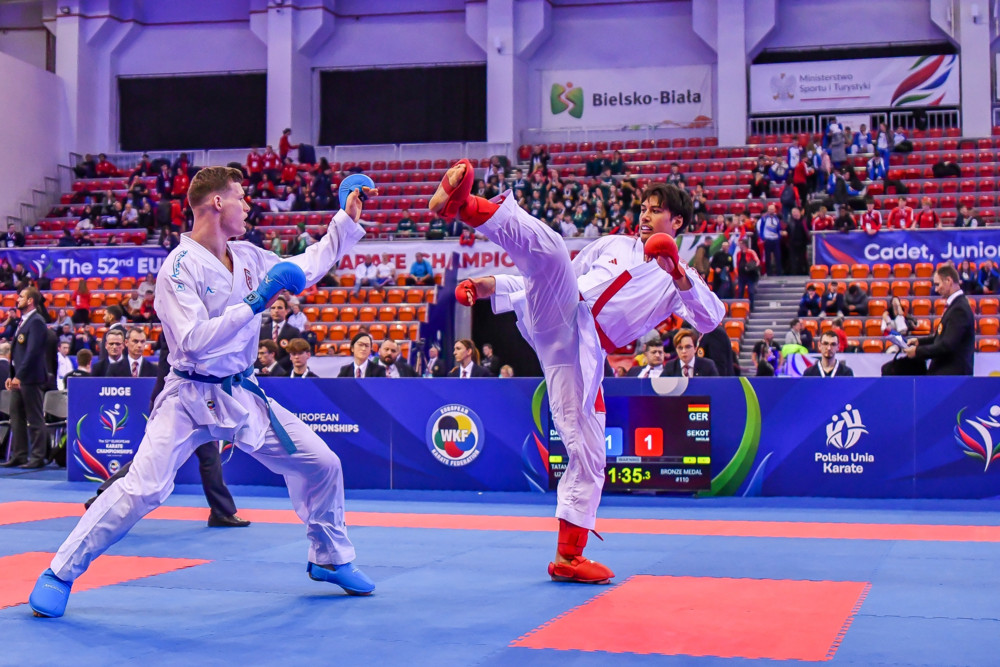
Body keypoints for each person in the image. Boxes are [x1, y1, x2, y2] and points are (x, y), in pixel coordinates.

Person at [28, 166, 378, 618]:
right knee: (143, 489)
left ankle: (328, 558)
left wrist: (344, 219)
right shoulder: (178, 268)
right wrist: (253, 303)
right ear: (217, 203)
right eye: (241, 196)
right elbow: (191, 339)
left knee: (322, 464)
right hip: (188, 397)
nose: (249, 204)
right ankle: (59, 572)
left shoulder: (249, 256)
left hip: (241, 394)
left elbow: (306, 266)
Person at [435, 160, 724, 585]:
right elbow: (555, 278)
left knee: (588, 451)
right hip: (561, 315)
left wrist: (678, 272)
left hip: (580, 351)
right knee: (551, 253)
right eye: (642, 208)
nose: (644, 215)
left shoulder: (679, 279)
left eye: (655, 209)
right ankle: (464, 207)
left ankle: (569, 556)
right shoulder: (612, 243)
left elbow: (710, 319)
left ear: (677, 221)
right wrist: (492, 285)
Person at [1, 288, 50, 469]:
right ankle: (19, 455)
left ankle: (37, 457)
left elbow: (33, 352)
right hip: (19, 378)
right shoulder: (23, 322)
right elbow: (17, 353)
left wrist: (19, 376)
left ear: (30, 300)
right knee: (16, 418)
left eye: (21, 296)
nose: (17, 299)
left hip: (30, 378)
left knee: (35, 418)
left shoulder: (37, 322)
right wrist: (11, 375)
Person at [904, 265, 975, 375]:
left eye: (938, 284)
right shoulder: (956, 306)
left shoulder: (959, 309)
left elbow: (947, 345)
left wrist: (917, 352)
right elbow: (941, 337)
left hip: (952, 376)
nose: (936, 289)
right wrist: (919, 342)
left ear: (948, 281)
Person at [736, 238, 761, 304]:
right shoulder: (738, 254)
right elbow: (738, 264)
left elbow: (757, 261)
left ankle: (751, 307)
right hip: (741, 275)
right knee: (740, 291)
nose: (739, 245)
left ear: (744, 244)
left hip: (750, 275)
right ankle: (740, 306)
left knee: (751, 291)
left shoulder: (751, 252)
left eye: (740, 244)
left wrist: (751, 267)